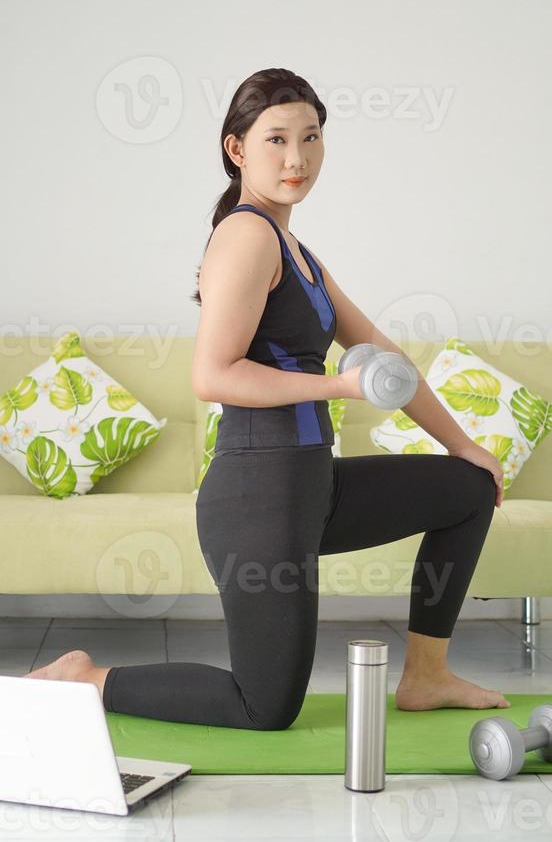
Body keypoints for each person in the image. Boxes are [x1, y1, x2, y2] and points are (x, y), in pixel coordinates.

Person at [24, 67, 510, 728]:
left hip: (313, 491)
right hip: (257, 499)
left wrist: (464, 445)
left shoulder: (299, 252)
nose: (297, 158)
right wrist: (339, 385)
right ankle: (87, 676)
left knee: (467, 489)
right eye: (277, 139)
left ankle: (426, 674)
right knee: (266, 705)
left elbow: (384, 356)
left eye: (310, 138)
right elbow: (213, 375)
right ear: (237, 149)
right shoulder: (245, 236)